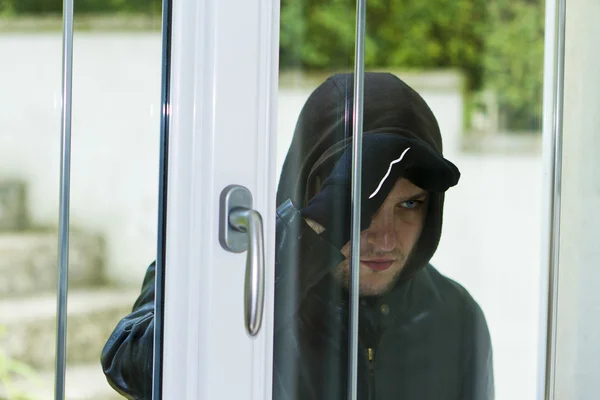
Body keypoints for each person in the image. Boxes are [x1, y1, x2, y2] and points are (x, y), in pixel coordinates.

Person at [101, 72, 494, 400]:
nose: (385, 239)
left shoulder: (455, 316)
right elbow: (132, 367)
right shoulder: (230, 273)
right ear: (311, 192)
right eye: (360, 207)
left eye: (409, 205)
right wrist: (311, 234)